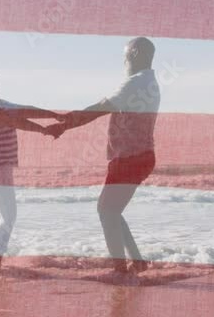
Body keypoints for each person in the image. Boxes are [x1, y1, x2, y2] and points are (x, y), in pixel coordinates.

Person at [52, 37, 160, 274]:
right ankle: (137, 261)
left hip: (130, 157)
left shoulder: (135, 83)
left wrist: (66, 122)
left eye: (124, 55)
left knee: (106, 211)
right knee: (112, 211)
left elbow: (101, 107)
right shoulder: (147, 81)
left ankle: (120, 270)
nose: (123, 61)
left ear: (133, 53)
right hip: (138, 155)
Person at [0, 61, 63, 271]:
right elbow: (12, 121)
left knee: (1, 214)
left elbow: (24, 111)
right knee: (8, 217)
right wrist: (44, 130)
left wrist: (54, 115)